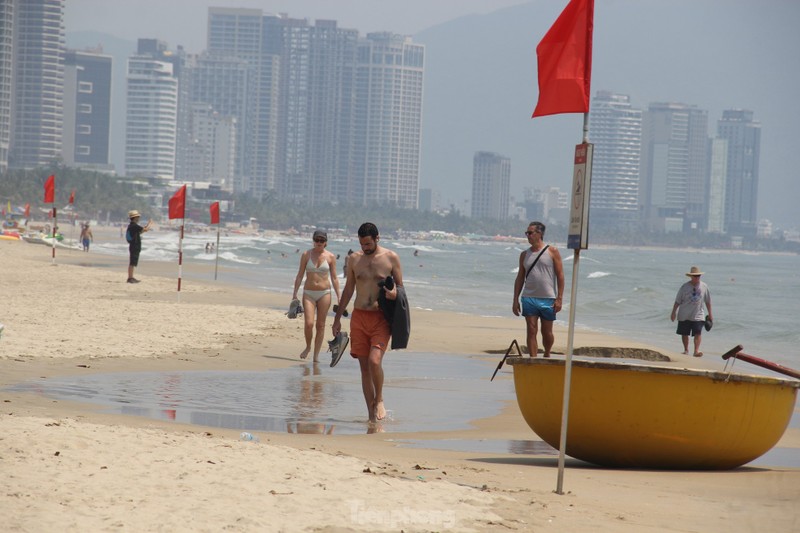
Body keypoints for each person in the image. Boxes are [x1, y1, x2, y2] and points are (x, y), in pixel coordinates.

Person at [332, 222, 404, 424]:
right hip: (359, 318)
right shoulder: (354, 259)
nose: (365, 247)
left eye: (368, 244)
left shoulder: (391, 258)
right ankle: (371, 416)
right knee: (364, 369)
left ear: (377, 238)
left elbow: (401, 289)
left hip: (380, 318)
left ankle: (379, 398)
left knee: (374, 361)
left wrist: (393, 294)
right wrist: (337, 318)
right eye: (362, 244)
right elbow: (348, 291)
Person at [512, 221, 565, 357]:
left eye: (530, 233)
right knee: (531, 329)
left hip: (548, 298)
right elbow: (520, 278)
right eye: (527, 233)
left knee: (547, 331)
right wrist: (515, 300)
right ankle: (533, 359)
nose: (527, 236)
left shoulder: (552, 251)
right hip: (529, 297)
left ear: (539, 234)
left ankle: (547, 353)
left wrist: (559, 298)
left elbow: (560, 276)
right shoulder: (524, 255)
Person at [292, 230, 341, 361]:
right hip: (309, 293)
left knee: (321, 325)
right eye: (317, 240)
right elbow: (300, 275)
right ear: (313, 241)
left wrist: (339, 296)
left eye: (321, 240)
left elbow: (335, 278)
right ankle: (308, 346)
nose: (319, 243)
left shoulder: (330, 257)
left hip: (325, 293)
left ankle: (316, 355)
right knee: (308, 323)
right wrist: (294, 293)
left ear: (326, 242)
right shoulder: (306, 254)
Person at [671, 266, 713, 357]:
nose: (697, 277)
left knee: (698, 332)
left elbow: (708, 301)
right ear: (691, 276)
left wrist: (710, 314)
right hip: (684, 314)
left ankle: (696, 351)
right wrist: (673, 312)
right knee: (684, 333)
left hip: (698, 314)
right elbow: (677, 301)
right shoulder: (684, 287)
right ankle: (686, 350)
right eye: (695, 276)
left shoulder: (704, 286)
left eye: (698, 276)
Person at [125, 210, 151, 283]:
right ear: (135, 217)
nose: (139, 218)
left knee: (133, 262)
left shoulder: (132, 226)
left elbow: (141, 232)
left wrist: (147, 226)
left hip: (133, 245)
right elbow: (145, 230)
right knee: (132, 262)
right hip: (134, 246)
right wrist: (150, 224)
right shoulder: (134, 225)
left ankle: (131, 277)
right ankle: (130, 278)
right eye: (138, 217)